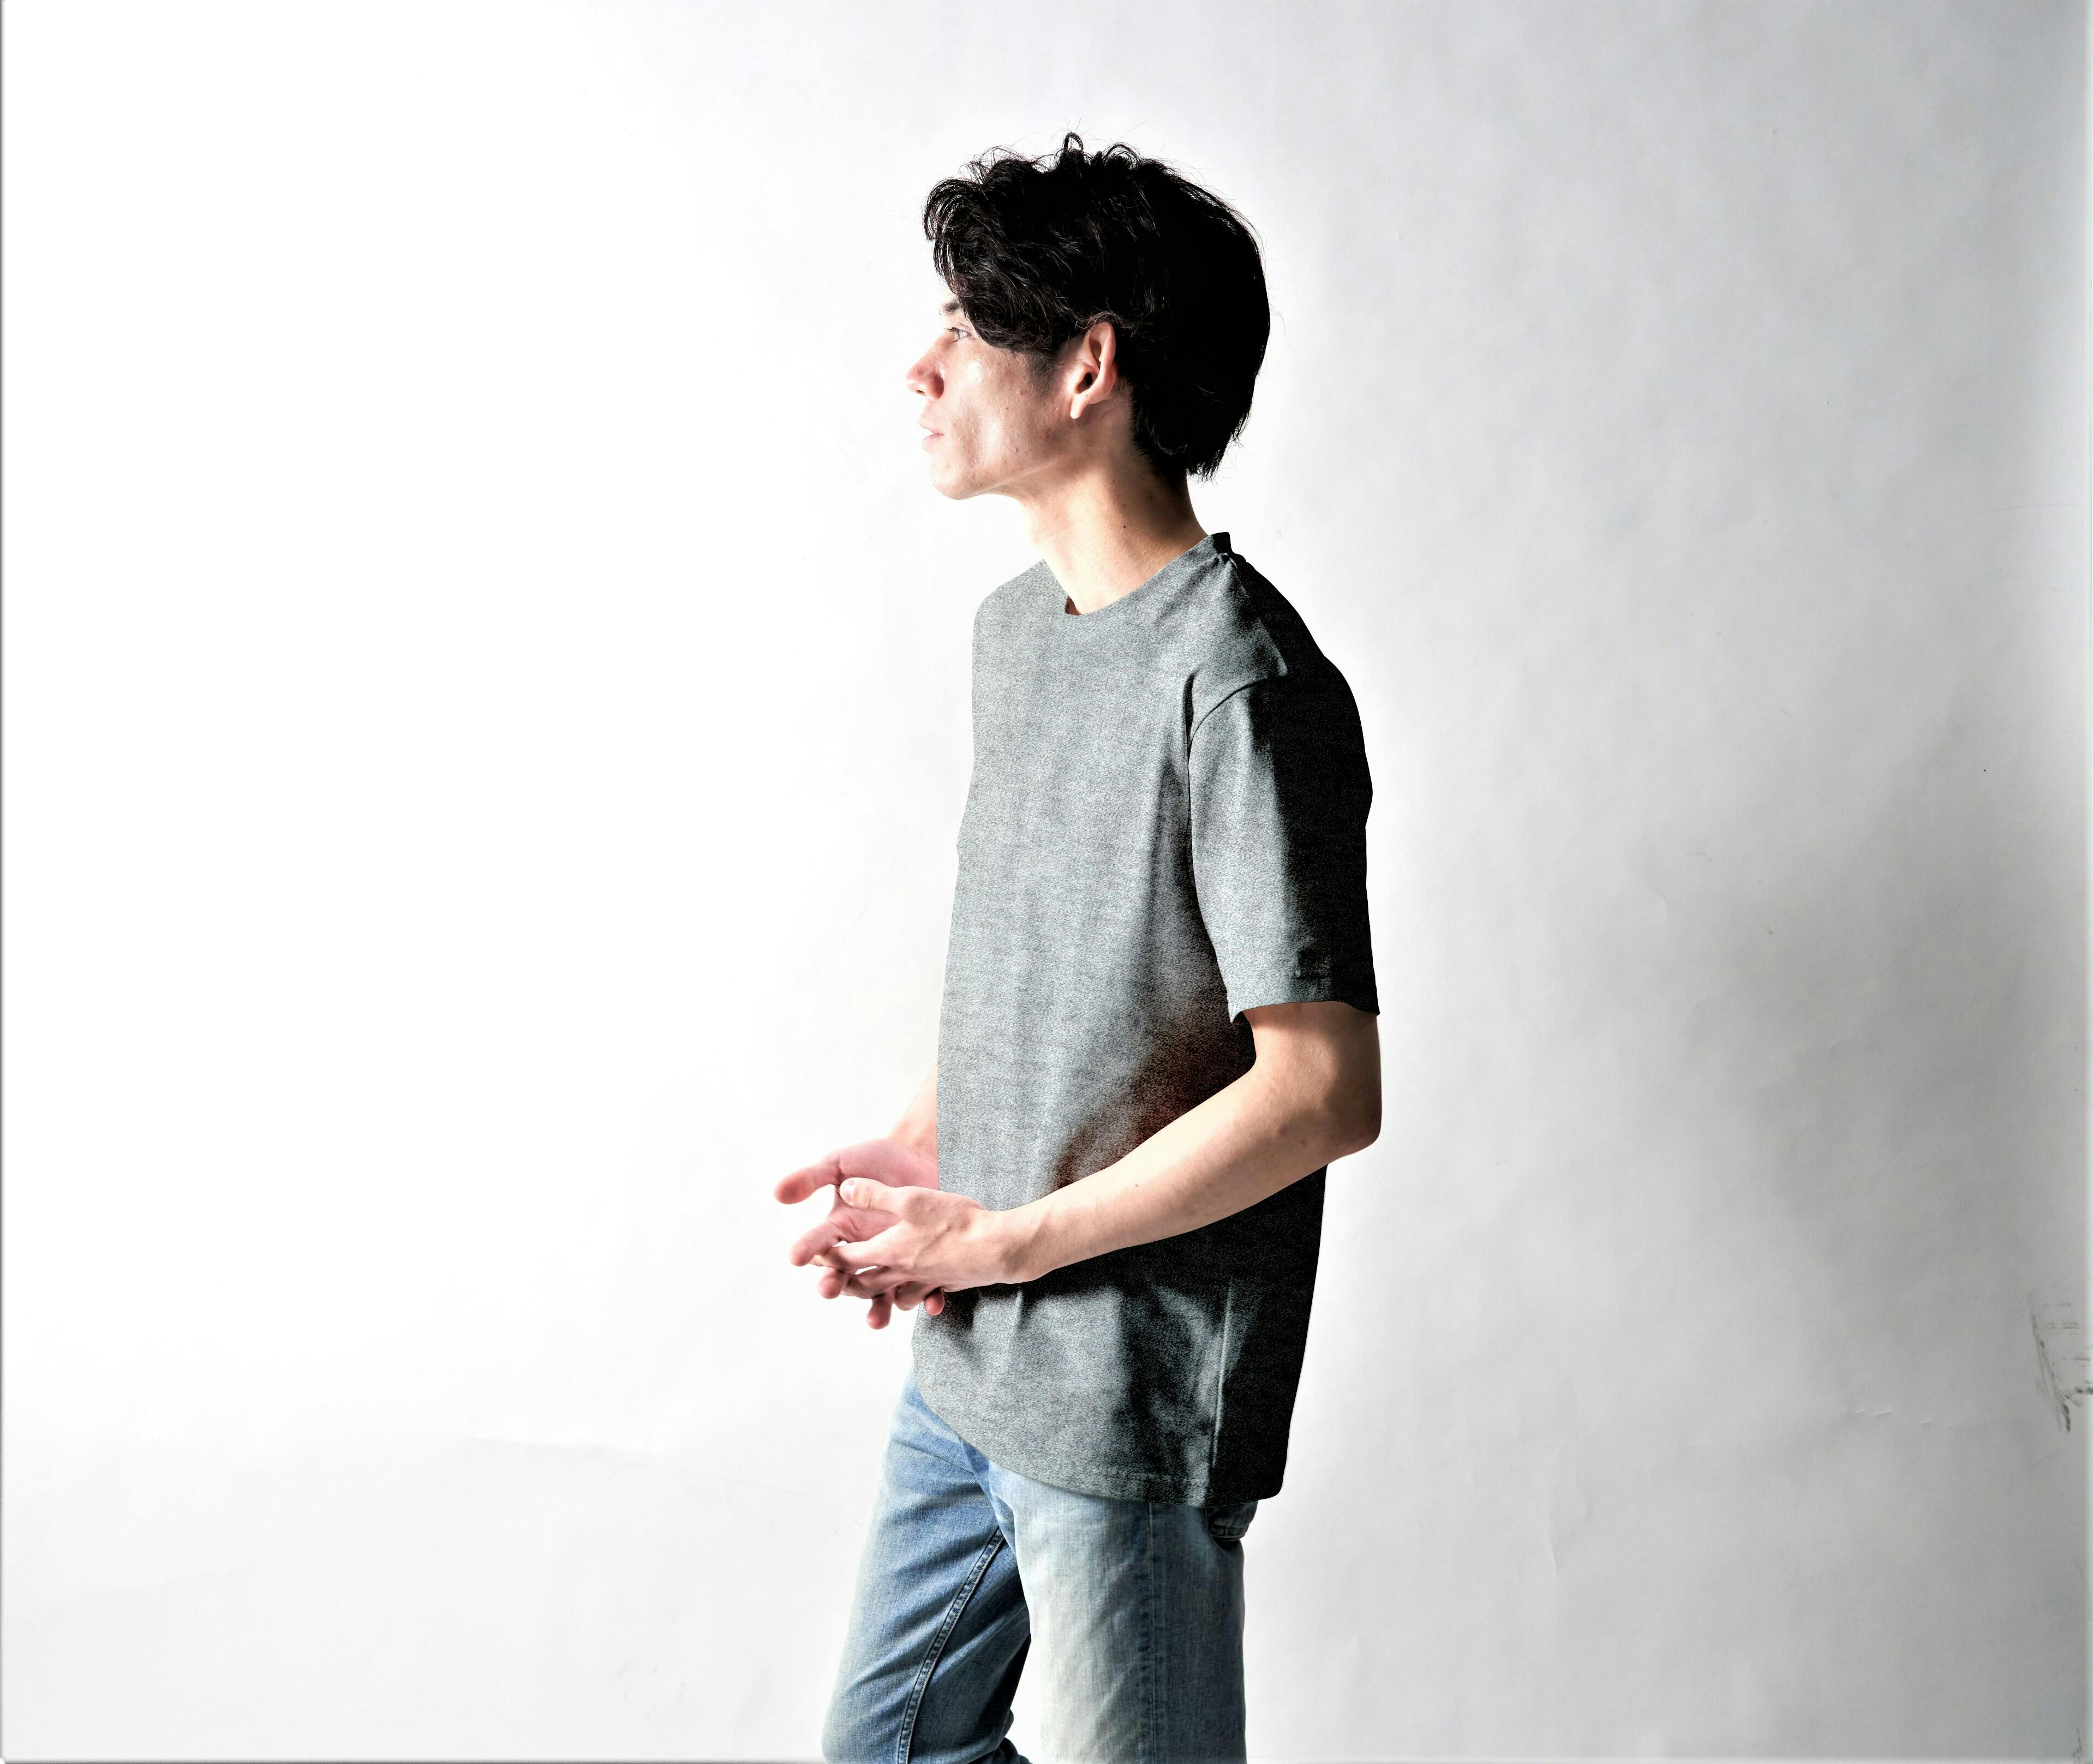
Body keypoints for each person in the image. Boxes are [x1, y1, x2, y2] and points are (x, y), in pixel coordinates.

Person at [774, 134, 1382, 1763]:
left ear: (1087, 368)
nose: (920, 366)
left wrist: (1012, 1241)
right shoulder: (1013, 637)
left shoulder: (1241, 682)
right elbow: (1064, 947)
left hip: (1128, 1400)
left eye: (964, 327)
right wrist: (932, 1139)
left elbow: (1323, 1091)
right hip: (971, 1364)